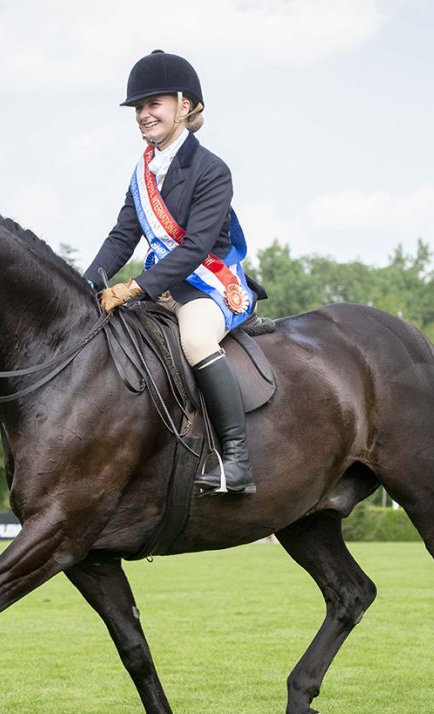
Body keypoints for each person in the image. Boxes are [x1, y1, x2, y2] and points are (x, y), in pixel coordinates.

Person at [84, 50, 268, 494]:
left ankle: (236, 463)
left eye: (154, 104)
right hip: (161, 286)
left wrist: (133, 288)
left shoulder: (211, 170)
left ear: (184, 106)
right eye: (139, 108)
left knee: (196, 339)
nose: (144, 114)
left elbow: (194, 248)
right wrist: (85, 285)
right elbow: (122, 238)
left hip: (208, 284)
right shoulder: (142, 173)